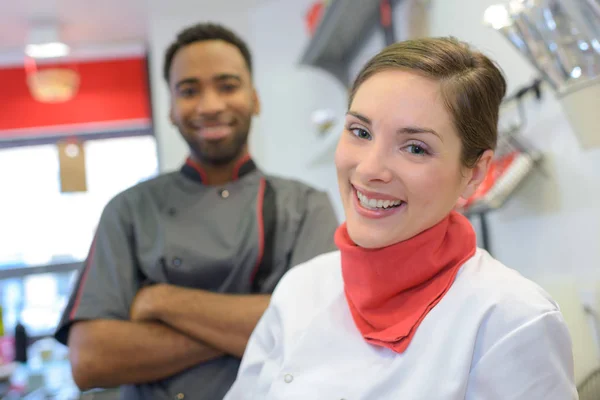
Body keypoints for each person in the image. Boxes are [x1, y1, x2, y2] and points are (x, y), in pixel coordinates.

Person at [224, 37, 578, 399]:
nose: (369, 169)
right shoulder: (300, 289)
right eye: (360, 132)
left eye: (415, 148)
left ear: (473, 173)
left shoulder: (510, 320)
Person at [54, 22, 339, 399]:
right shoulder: (128, 211)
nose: (210, 105)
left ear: (254, 97)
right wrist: (258, 323)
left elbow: (315, 336)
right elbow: (91, 360)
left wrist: (161, 301)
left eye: (228, 85)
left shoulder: (306, 206)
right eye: (189, 91)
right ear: (170, 109)